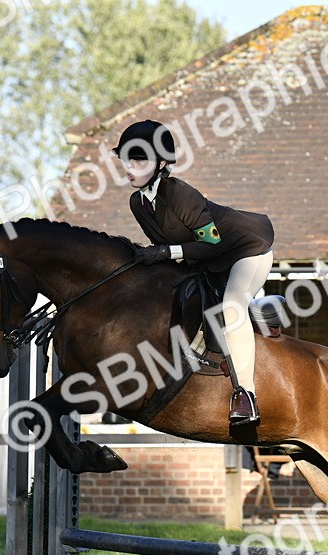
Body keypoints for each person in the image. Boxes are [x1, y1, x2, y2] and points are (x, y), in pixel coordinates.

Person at [112, 119, 275, 426]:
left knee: (231, 305)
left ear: (161, 163)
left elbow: (212, 244)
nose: (130, 168)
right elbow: (169, 250)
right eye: (127, 160)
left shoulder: (181, 194)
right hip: (206, 260)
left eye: (139, 160)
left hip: (245, 249)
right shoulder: (138, 202)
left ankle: (246, 396)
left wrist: (162, 252)